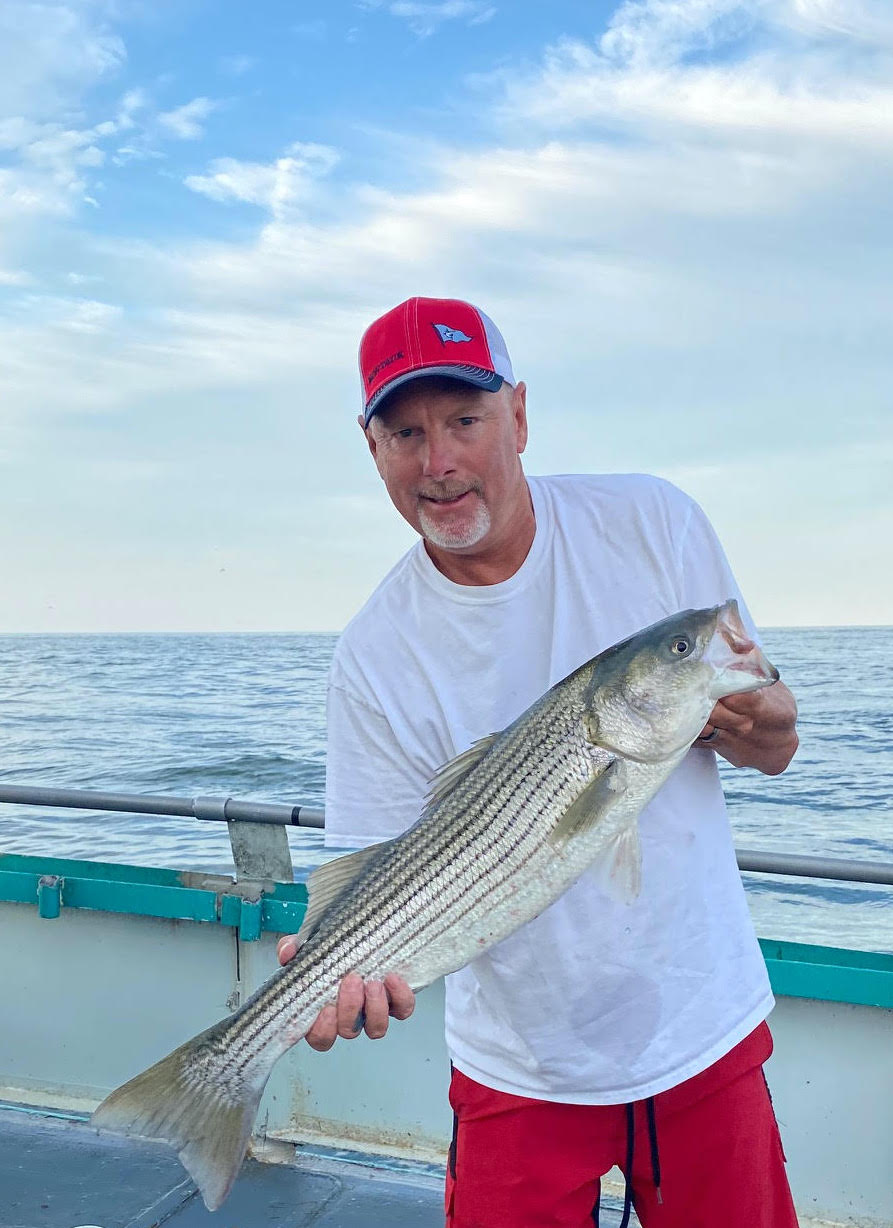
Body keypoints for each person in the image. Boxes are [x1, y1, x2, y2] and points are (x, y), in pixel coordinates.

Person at [278, 296, 800, 1227]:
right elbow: (370, 868)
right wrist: (339, 969)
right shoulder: (373, 652)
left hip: (700, 1023)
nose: (439, 463)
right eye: (406, 434)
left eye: (464, 420)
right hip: (517, 1063)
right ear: (372, 448)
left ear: (518, 415)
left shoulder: (651, 520)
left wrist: (757, 721)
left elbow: (777, 740)